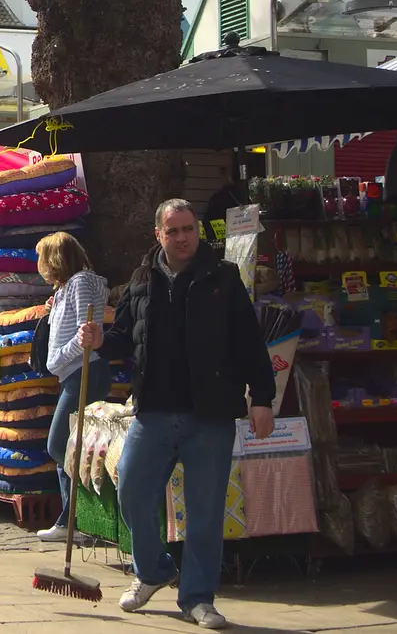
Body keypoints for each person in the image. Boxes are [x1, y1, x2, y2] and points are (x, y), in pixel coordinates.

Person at [78, 199, 275, 631]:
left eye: (189, 229)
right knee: (131, 490)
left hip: (211, 414)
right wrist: (97, 340)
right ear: (159, 235)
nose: (183, 237)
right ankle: (153, 570)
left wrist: (262, 397)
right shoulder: (142, 279)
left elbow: (249, 344)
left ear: (198, 231)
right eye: (174, 230)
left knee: (205, 513)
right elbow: (123, 337)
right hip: (153, 412)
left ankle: (199, 599)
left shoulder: (223, 279)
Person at [33, 231, 111, 543]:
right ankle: (72, 518)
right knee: (68, 446)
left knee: (61, 444)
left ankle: (72, 518)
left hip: (84, 370)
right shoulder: (68, 287)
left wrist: (57, 359)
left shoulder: (81, 282)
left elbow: (85, 331)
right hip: (73, 372)